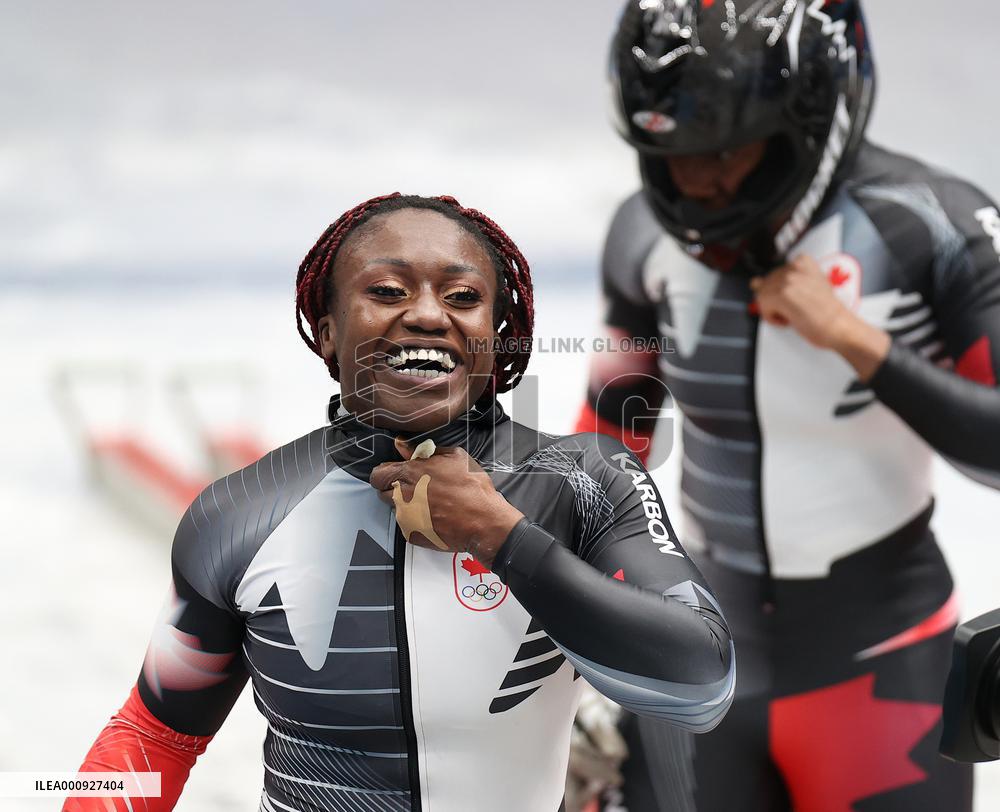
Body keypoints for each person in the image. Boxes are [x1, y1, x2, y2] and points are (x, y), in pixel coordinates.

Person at [64, 193, 735, 812]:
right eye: (387, 291)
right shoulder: (238, 513)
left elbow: (703, 684)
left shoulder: (583, 482)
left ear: (499, 334)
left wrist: (504, 538)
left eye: (463, 296)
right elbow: (152, 736)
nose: (427, 314)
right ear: (327, 331)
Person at [575, 1, 1000, 810]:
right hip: (697, 664)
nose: (694, 184)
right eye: (670, 154)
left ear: (810, 119)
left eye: (724, 150)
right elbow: (602, 448)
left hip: (883, 668)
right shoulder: (639, 233)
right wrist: (566, 658)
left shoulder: (933, 227)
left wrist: (854, 339)